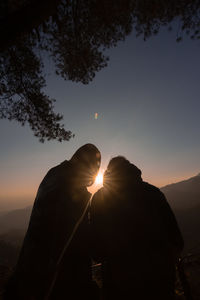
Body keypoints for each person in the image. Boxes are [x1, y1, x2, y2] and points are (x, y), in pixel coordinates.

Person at [4, 144, 101, 300]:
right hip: (59, 279)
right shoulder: (76, 191)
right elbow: (72, 240)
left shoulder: (53, 175)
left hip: (30, 267)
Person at [90, 156, 184, 300]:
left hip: (120, 282)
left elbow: (97, 249)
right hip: (160, 278)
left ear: (108, 173)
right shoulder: (153, 193)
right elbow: (176, 238)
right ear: (130, 169)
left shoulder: (99, 199)